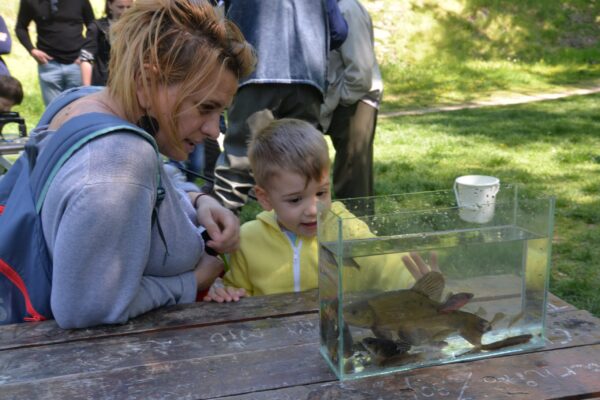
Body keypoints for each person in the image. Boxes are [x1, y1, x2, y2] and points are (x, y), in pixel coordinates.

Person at [10, 0, 255, 328]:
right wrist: (193, 280)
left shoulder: (81, 102)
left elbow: (157, 180)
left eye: (220, 113)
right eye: (205, 107)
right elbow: (86, 308)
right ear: (146, 82)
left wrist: (198, 200)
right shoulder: (118, 163)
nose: (213, 130)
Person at [205, 111, 422, 302]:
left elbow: (381, 260)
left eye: (321, 193)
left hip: (338, 337)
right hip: (276, 342)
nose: (313, 209)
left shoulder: (342, 226)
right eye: (295, 200)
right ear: (265, 198)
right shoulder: (248, 240)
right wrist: (224, 292)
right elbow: (238, 290)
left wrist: (415, 280)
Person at [212, 0, 349, 212]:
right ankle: (307, 236)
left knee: (237, 165)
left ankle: (218, 232)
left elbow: (206, 12)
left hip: (255, 70)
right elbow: (338, 30)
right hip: (307, 76)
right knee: (305, 164)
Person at [320, 0, 383, 202]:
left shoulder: (347, 8)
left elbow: (360, 72)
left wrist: (341, 100)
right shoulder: (327, 6)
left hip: (356, 101)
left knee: (353, 182)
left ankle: (358, 232)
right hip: (336, 101)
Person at [15, 0, 95, 105]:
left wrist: (86, 54)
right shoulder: (31, 1)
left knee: (78, 109)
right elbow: (20, 27)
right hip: (48, 64)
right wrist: (32, 50)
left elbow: (93, 27)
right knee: (53, 112)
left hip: (77, 63)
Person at [80, 0, 133, 86]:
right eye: (120, 7)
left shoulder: (136, 28)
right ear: (109, 5)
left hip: (129, 84)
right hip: (103, 83)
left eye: (129, 7)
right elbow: (86, 58)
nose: (125, 11)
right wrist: (87, 89)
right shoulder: (97, 27)